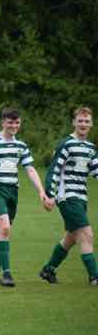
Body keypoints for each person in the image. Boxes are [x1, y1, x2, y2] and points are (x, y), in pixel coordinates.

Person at [0, 107, 47, 287]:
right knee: (5, 227)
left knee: (1, 231)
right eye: (10, 122)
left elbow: (30, 169)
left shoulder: (21, 146)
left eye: (17, 122)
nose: (14, 125)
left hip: (12, 192)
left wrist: (41, 191)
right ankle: (7, 274)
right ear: (3, 122)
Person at [39, 107, 98, 286]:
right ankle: (94, 277)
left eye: (87, 121)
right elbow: (54, 170)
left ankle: (48, 269)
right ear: (74, 122)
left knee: (71, 237)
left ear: (91, 124)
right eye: (80, 121)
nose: (83, 124)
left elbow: (96, 170)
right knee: (86, 234)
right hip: (67, 197)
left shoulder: (90, 148)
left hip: (81, 197)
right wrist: (50, 195)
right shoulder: (66, 144)